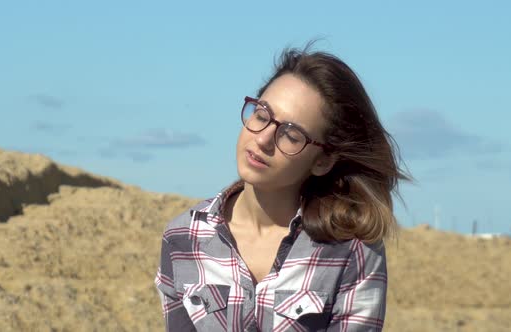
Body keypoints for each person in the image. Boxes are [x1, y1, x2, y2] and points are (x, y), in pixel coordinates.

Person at [154, 43, 410, 331]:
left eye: (291, 134)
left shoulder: (352, 250)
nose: (263, 139)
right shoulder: (182, 238)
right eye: (262, 115)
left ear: (323, 161)